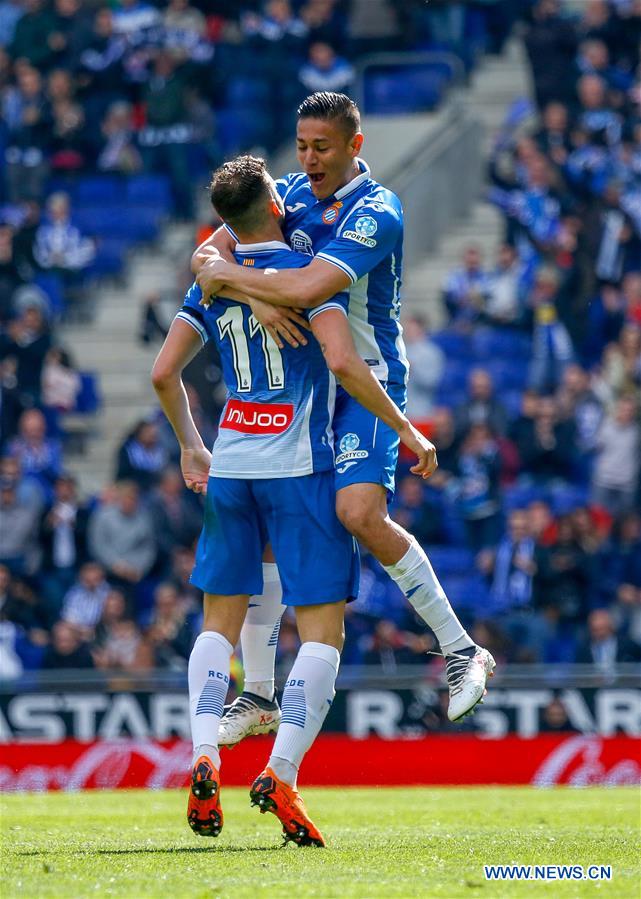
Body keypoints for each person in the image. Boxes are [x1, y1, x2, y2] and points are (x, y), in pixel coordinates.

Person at [152, 154, 437, 845]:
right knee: (321, 634)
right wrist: (403, 428)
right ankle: (280, 771)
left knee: (217, 624)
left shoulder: (214, 278)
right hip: (300, 465)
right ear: (276, 205)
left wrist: (190, 445)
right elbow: (343, 361)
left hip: (231, 462)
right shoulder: (309, 274)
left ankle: (204, 751)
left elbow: (162, 374)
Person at [192, 93, 495, 744]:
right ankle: (259, 692)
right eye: (302, 146)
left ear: (354, 146)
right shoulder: (286, 193)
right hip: (307, 385)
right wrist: (243, 288)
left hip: (364, 377)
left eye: (321, 147)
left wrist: (238, 283)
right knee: (268, 515)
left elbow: (305, 288)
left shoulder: (376, 211)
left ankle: (462, 649)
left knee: (357, 513)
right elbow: (205, 256)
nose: (308, 159)